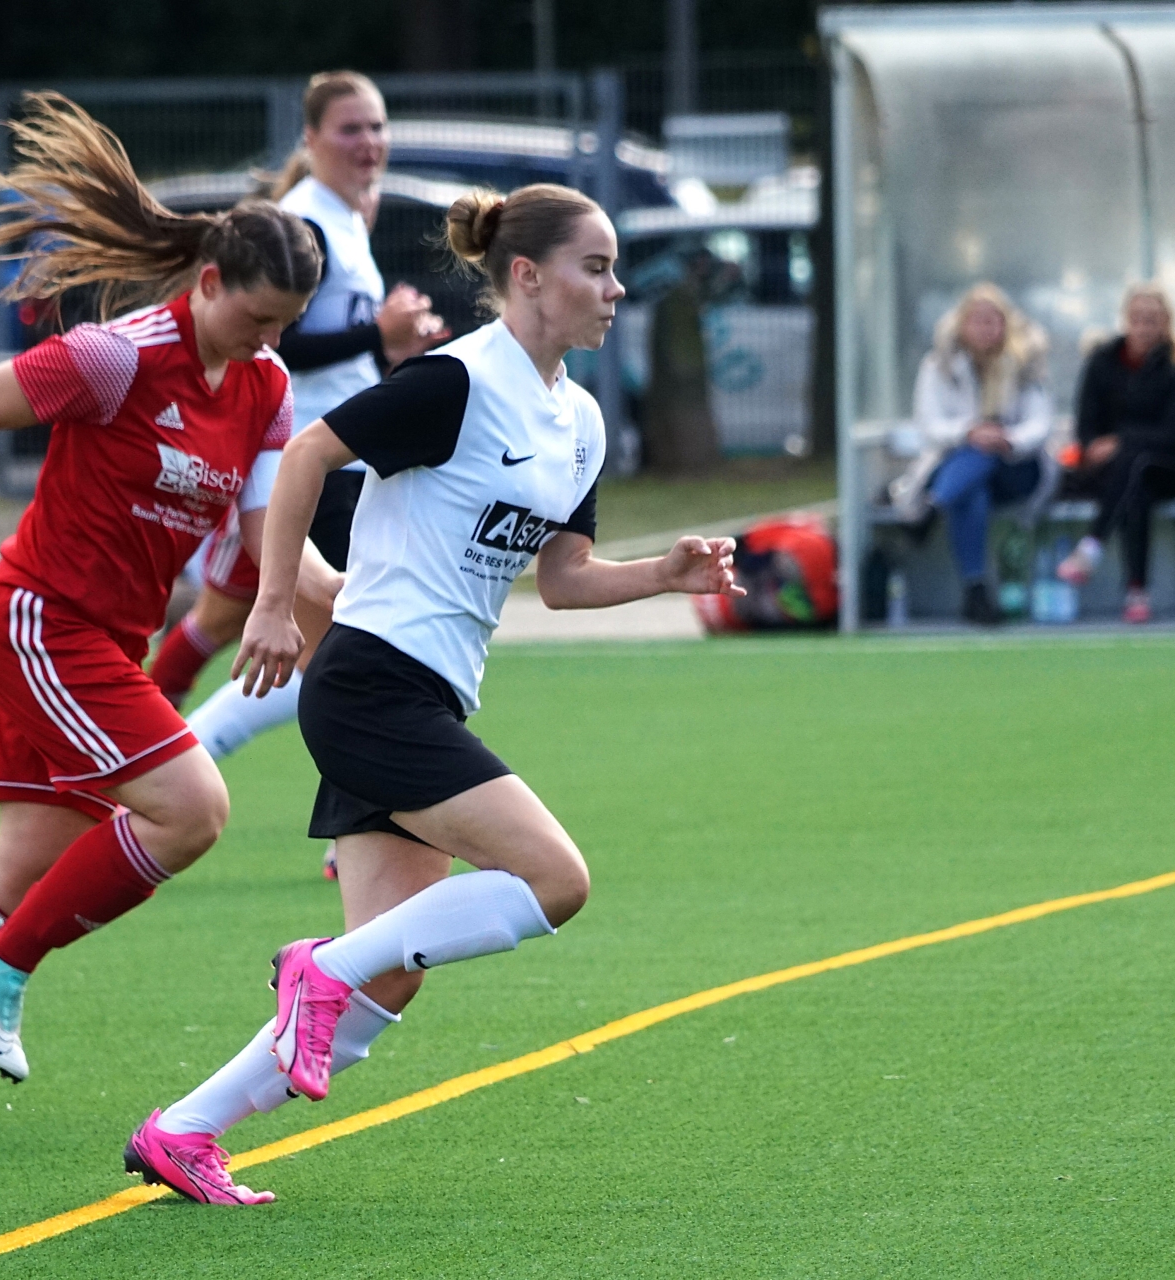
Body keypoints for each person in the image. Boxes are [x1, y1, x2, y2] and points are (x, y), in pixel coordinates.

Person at [121, 184, 742, 1205]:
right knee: (555, 879)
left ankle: (183, 1129)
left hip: (424, 697)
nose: (617, 289)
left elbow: (562, 579)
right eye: (596, 267)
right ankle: (318, 967)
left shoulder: (578, 421)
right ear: (527, 275)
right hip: (371, 685)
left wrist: (664, 575)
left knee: (393, 971)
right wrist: (273, 604)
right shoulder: (458, 379)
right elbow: (309, 454)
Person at [0, 93, 335, 1122]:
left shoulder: (266, 388)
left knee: (25, 865)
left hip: (101, 639)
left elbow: (272, 537)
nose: (269, 338)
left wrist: (351, 600)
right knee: (193, 809)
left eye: (285, 323)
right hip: (40, 622)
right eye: (255, 316)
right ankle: (3, 964)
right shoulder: (121, 355)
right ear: (209, 281)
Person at [150, 71, 447, 743]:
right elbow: (282, 348)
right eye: (350, 129)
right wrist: (376, 333)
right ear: (310, 138)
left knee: (237, 623)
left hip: (326, 458)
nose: (368, 142)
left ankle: (157, 753)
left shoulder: (344, 216)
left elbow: (326, 347)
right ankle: (170, 757)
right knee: (340, 660)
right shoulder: (308, 220)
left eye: (377, 126)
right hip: (312, 461)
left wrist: (394, 348)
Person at [891, 283, 1054, 625]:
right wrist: (968, 431)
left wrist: (1006, 438)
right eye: (977, 320)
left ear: (1005, 324)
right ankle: (976, 593)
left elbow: (1040, 423)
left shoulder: (1026, 362)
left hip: (1016, 468)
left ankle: (932, 507)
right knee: (973, 488)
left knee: (985, 450)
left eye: (992, 320)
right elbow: (929, 424)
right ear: (962, 324)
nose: (985, 328)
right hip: (957, 467)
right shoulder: (938, 365)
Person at [1055, 284, 1175, 623]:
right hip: (1112, 471)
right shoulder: (1102, 362)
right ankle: (1136, 592)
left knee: (1137, 463)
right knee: (1135, 488)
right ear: (1125, 320)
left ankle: (1092, 546)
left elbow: (1172, 434)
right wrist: (1093, 446)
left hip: (1166, 468)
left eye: (1152, 320)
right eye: (1137, 319)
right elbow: (1085, 423)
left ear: (1166, 322)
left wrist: (1120, 441)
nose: (1144, 327)